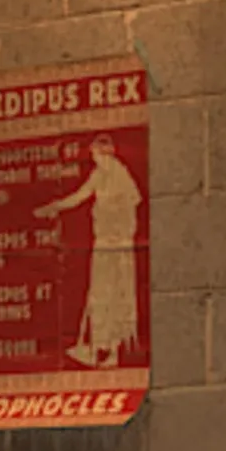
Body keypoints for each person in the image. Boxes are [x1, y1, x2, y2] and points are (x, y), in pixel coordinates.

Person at [35, 131, 145, 367]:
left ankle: (114, 351)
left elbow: (131, 209)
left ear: (105, 154)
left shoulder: (121, 176)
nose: (94, 159)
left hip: (118, 246)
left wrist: (120, 233)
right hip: (102, 243)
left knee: (116, 296)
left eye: (96, 155)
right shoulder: (98, 175)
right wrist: (56, 206)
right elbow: (80, 195)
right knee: (98, 293)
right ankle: (97, 347)